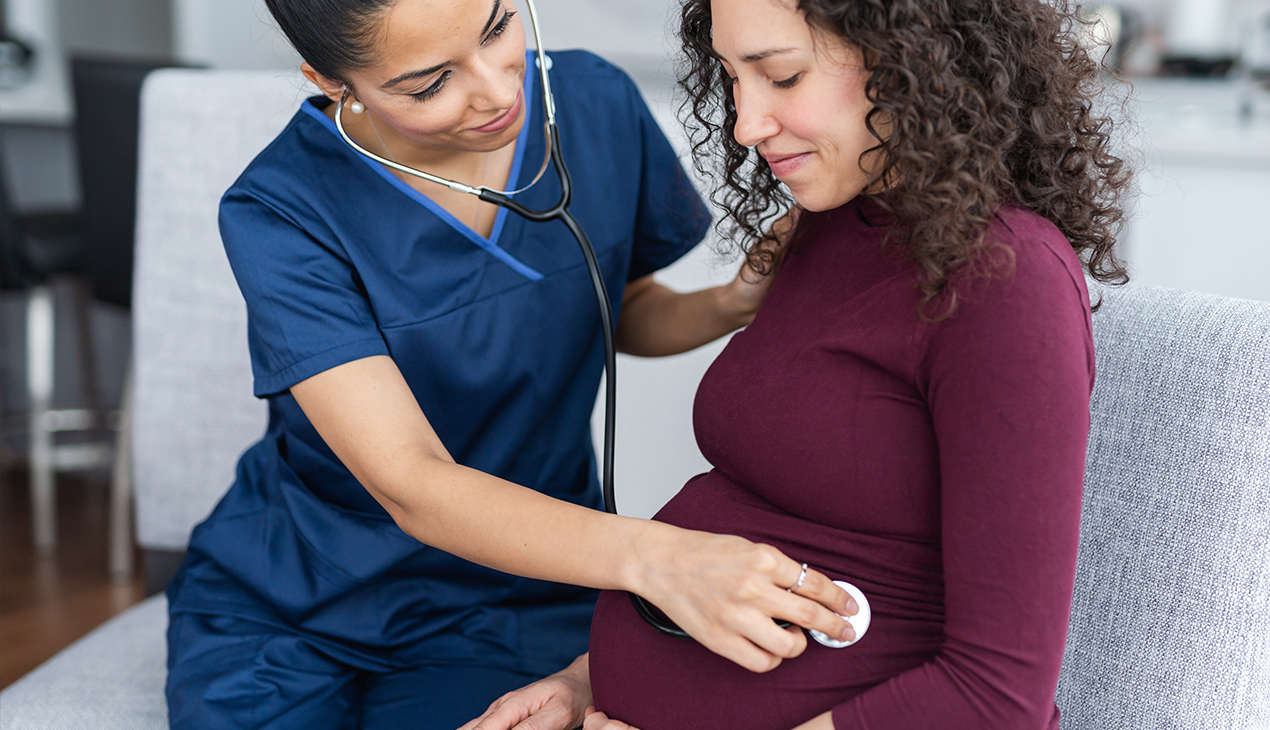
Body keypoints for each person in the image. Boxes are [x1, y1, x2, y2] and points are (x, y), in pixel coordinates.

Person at [161, 0, 862, 727]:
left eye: (497, 28)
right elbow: (412, 482)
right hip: (301, 595)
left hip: (522, 589)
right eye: (430, 84)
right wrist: (661, 559)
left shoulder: (595, 106)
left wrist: (731, 301)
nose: (498, 91)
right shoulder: (282, 210)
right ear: (334, 84)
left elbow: (619, 309)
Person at [462, 0, 1133, 728]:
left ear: (914, 57)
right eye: (731, 77)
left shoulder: (1006, 279)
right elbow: (776, 523)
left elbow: (994, 698)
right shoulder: (835, 222)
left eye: (781, 76)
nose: (747, 125)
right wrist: (586, 681)